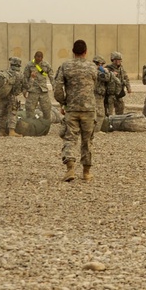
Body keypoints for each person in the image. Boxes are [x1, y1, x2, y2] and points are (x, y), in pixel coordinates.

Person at [53, 39, 98, 182]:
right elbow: (94, 85)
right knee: (87, 141)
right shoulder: (92, 67)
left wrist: (63, 103)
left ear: (73, 52)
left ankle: (70, 169)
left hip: (72, 109)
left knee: (70, 138)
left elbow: (57, 88)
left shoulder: (65, 66)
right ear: (85, 52)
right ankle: (86, 172)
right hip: (89, 109)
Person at [0, 56, 27, 137]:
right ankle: (11, 131)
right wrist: (32, 79)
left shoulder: (4, 72)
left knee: (2, 112)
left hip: (3, 96)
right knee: (12, 113)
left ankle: (1, 131)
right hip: (12, 96)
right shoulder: (20, 75)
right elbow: (26, 86)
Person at [23, 51, 54, 121]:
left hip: (43, 91)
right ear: (34, 57)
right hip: (33, 90)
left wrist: (54, 86)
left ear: (42, 58)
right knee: (29, 110)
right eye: (37, 57)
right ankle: (30, 126)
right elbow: (25, 78)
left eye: (40, 57)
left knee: (46, 109)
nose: (39, 59)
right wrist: (25, 90)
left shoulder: (46, 65)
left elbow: (51, 76)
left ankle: (45, 126)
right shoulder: (29, 65)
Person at [93, 55, 112, 125]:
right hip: (97, 94)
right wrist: (106, 71)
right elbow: (107, 78)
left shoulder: (92, 70)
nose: (103, 66)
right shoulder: (97, 71)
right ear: (99, 64)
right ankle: (96, 130)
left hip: (97, 94)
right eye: (102, 65)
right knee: (100, 114)